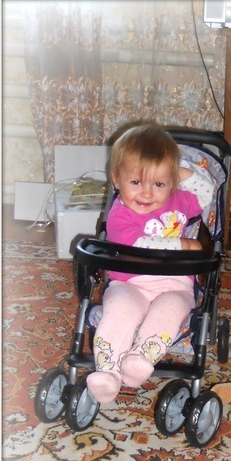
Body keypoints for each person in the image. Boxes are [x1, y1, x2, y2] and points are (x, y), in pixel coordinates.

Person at [86, 122, 215, 404]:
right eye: (136, 182)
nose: (146, 193)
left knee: (169, 310)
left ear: (172, 183)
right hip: (130, 282)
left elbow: (207, 193)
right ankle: (107, 372)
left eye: (158, 184)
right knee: (119, 311)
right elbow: (138, 244)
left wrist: (179, 172)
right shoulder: (120, 213)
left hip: (175, 285)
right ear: (117, 180)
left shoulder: (179, 200)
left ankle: (140, 357)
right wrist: (185, 245)